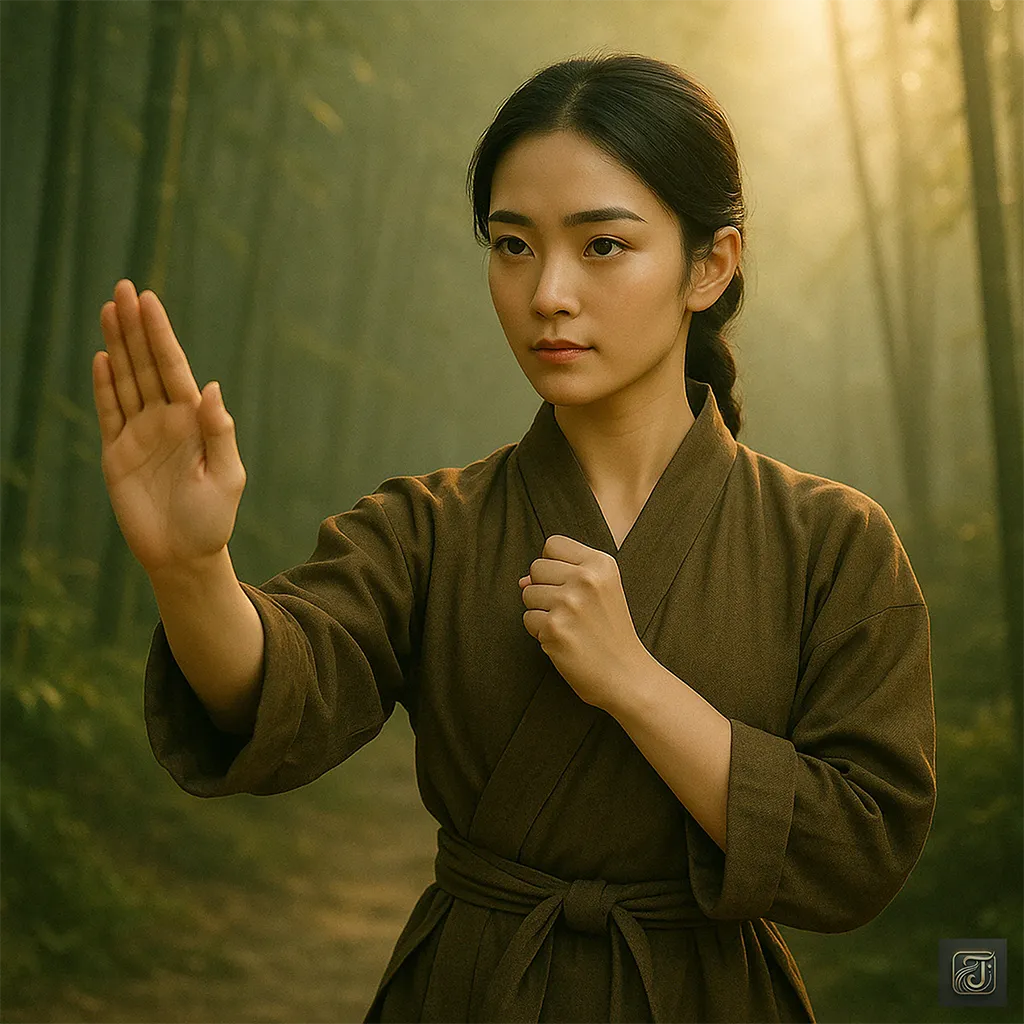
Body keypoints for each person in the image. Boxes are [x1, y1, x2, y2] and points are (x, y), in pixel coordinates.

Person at [92, 53, 937, 1024]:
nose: (547, 293)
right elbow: (284, 686)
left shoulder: (832, 544)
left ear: (709, 265)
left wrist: (634, 680)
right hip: (474, 989)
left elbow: (860, 847)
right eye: (513, 245)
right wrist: (192, 567)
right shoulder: (430, 524)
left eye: (603, 246)